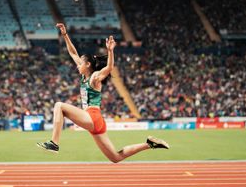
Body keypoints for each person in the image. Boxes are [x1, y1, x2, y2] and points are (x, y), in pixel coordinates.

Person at [37, 23, 169, 162]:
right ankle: (149, 144)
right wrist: (65, 34)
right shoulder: (84, 75)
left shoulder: (94, 77)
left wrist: (110, 51)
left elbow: (109, 68)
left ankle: (54, 143)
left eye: (81, 63)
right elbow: (73, 53)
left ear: (88, 65)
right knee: (115, 157)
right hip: (94, 122)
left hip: (92, 117)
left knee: (59, 105)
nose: (78, 66)